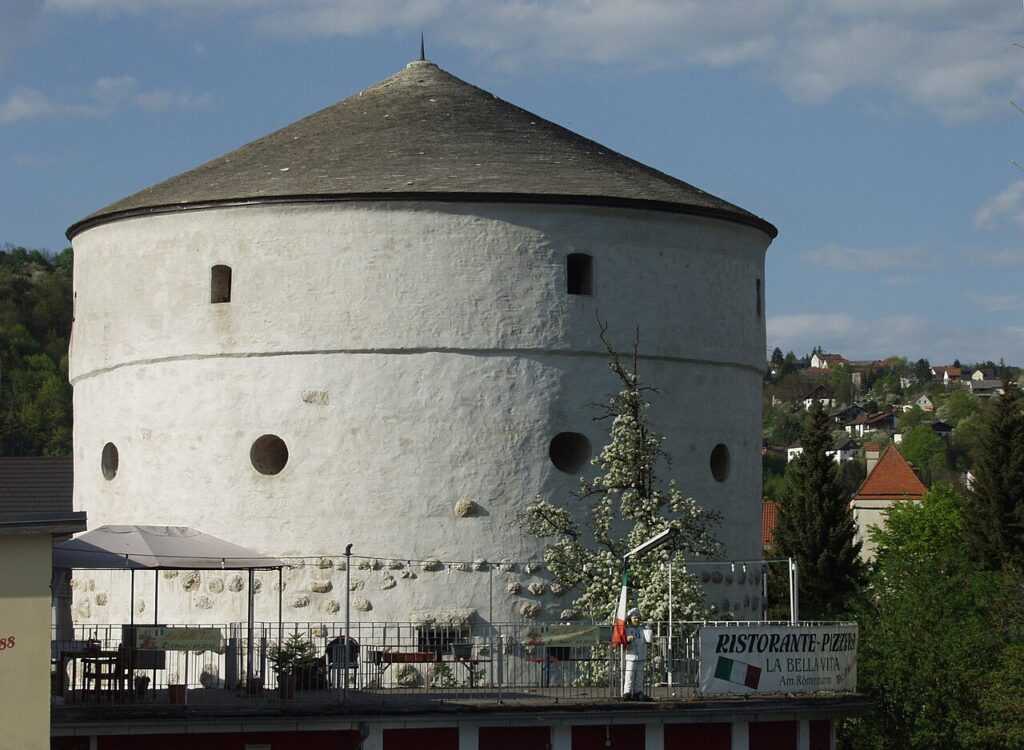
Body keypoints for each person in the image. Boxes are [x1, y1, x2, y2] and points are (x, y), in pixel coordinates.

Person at [622, 607, 650, 700]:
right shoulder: (627, 630)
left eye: (637, 618)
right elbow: (623, 641)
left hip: (640, 655)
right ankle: (627, 692)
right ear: (630, 620)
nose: (636, 620)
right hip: (631, 655)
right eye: (634, 618)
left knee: (639, 676)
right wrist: (627, 639)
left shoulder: (641, 630)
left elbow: (648, 640)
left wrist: (649, 632)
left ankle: (638, 692)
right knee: (629, 675)